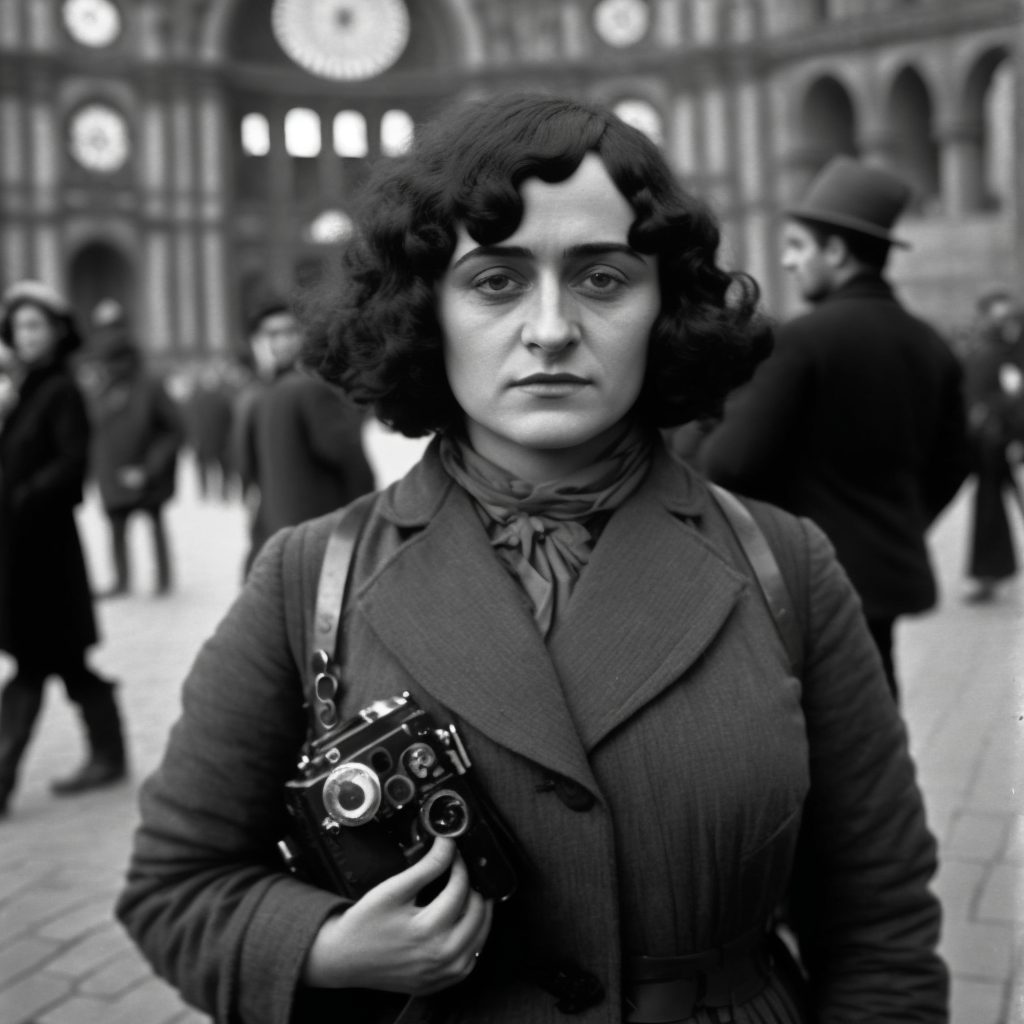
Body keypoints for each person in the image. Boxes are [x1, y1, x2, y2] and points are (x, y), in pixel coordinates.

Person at [117, 96, 947, 1023]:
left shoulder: (786, 563)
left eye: (601, 279)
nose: (551, 329)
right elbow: (175, 887)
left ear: (663, 303)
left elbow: (880, 923)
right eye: (496, 281)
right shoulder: (307, 574)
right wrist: (323, 948)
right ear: (424, 307)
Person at [701, 156, 970, 700]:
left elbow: (731, 461)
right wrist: (903, 521)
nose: (787, 260)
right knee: (877, 712)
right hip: (888, 572)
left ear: (837, 253)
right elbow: (954, 463)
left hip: (809, 581)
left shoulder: (804, 340)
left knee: (827, 736)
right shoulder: (930, 344)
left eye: (798, 247)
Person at [0, 281, 128, 814]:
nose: (27, 336)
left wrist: (23, 496)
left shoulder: (62, 390)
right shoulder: (23, 389)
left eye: (37, 326)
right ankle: (109, 751)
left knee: (33, 663)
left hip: (47, 550)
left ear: (57, 332)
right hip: (20, 547)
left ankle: (2, 778)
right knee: (66, 663)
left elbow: (71, 466)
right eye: (20, 326)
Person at [241, 300, 374, 571]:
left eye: (290, 332)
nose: (284, 341)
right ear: (256, 342)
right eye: (273, 334)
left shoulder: (268, 394)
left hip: (292, 540)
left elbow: (346, 457)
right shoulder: (292, 392)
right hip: (308, 542)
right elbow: (351, 461)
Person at [89, 327, 184, 597]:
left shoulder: (150, 386)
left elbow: (174, 431)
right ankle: (121, 580)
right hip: (112, 479)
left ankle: (164, 580)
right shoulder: (100, 390)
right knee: (117, 529)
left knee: (154, 524)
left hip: (146, 477)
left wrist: (149, 468)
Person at [962, 295, 1024, 601]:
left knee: (991, 506)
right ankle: (990, 572)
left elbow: (1009, 396)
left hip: (998, 440)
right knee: (991, 506)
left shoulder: (1003, 354)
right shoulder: (987, 352)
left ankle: (990, 573)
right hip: (988, 442)